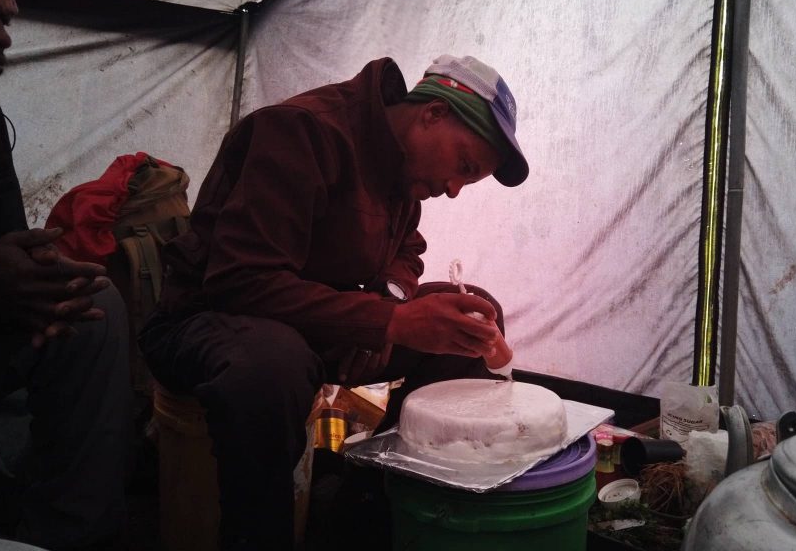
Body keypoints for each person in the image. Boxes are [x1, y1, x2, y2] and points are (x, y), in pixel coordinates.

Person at [139, 53, 529, 549]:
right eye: (464, 166)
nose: (453, 190)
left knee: (469, 322)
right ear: (434, 113)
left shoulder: (403, 170)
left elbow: (407, 250)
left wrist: (387, 302)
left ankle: (362, 506)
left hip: (316, 329)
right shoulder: (303, 132)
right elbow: (241, 280)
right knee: (271, 363)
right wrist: (385, 322)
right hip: (206, 320)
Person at [0, 0, 132, 549]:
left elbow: (5, 229)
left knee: (95, 307)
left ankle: (67, 535)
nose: (1, 38)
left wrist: (40, 281)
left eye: (6, 21)